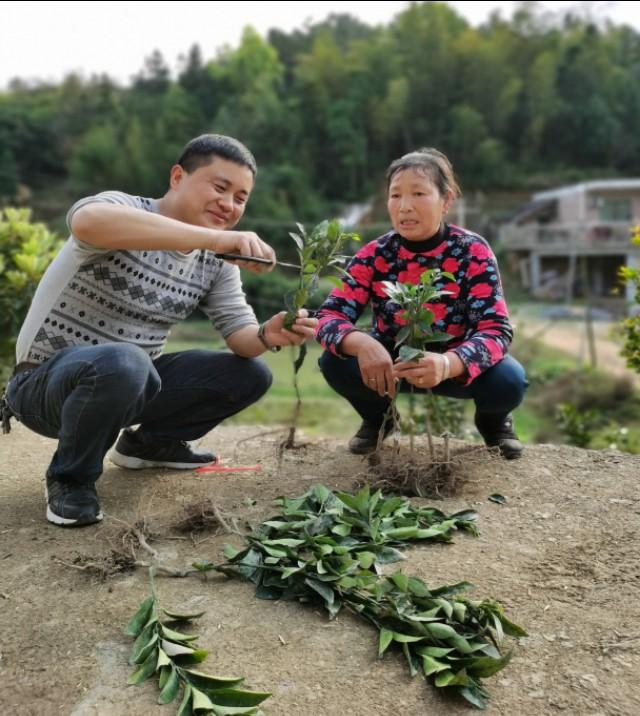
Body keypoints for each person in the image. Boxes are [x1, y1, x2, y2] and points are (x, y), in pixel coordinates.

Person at [2, 134, 317, 527]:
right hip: (44, 388)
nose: (229, 204)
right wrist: (218, 238)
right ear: (177, 177)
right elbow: (86, 220)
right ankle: (70, 479)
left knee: (250, 374)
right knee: (125, 360)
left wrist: (269, 335)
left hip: (128, 384)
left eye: (240, 197)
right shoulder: (125, 209)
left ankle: (150, 443)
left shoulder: (218, 262)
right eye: (220, 187)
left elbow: (241, 338)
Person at [315, 147, 527, 458]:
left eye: (418, 194)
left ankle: (493, 422)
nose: (405, 207)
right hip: (393, 365)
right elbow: (328, 316)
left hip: (457, 366)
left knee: (509, 380)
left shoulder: (472, 251)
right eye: (396, 195)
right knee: (334, 362)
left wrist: (448, 363)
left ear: (447, 200)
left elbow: (496, 330)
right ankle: (379, 419)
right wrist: (359, 341)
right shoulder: (374, 255)